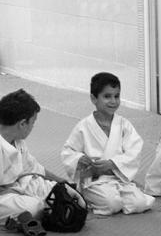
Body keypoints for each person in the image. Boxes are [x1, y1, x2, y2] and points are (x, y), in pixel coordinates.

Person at [61, 72, 155, 216]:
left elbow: (134, 151)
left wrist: (112, 164)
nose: (113, 101)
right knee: (112, 204)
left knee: (140, 203)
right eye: (107, 96)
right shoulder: (84, 126)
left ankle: (118, 196)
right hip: (94, 181)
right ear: (94, 98)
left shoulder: (124, 125)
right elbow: (68, 151)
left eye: (116, 96)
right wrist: (79, 159)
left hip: (118, 177)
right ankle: (86, 196)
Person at [0, 89, 82, 236]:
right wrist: (19, 192)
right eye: (33, 123)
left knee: (62, 192)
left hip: (12, 187)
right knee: (34, 206)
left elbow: (34, 168)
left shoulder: (17, 141)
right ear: (22, 124)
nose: (33, 127)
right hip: (3, 194)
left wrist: (62, 182)